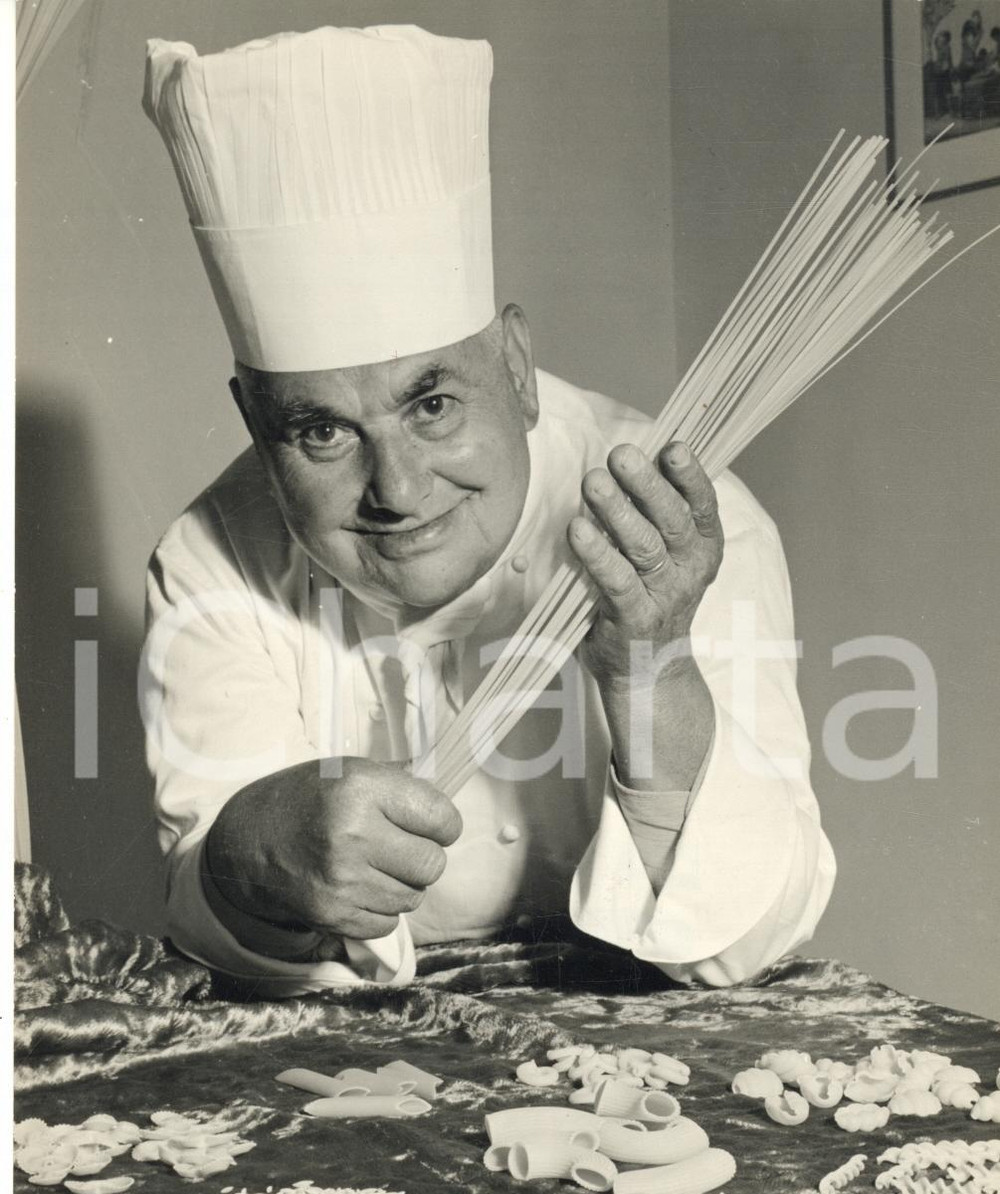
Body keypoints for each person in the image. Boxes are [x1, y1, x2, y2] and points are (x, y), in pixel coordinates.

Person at [141, 23, 835, 998]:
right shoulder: (212, 559)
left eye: (432, 406)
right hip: (378, 1055)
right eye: (322, 433)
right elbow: (211, 911)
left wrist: (654, 671)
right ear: (254, 422)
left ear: (514, 366)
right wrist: (253, 850)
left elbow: (752, 940)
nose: (398, 490)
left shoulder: (668, 516)